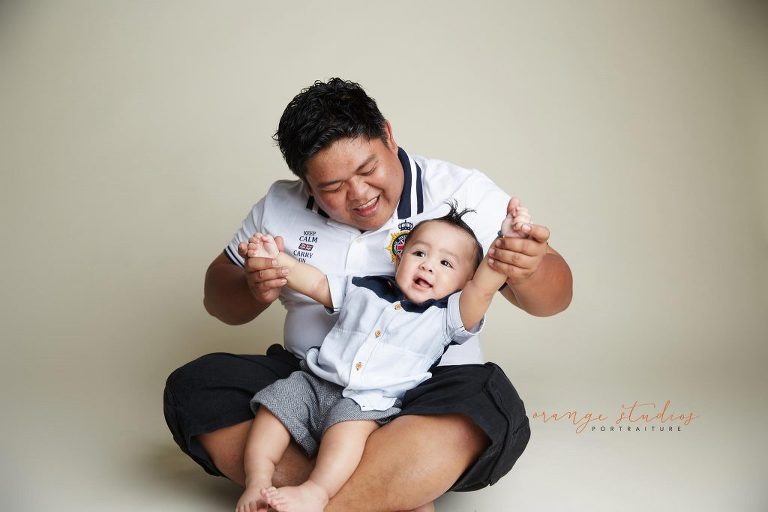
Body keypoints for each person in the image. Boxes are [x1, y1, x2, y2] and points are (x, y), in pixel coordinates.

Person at [163, 78, 573, 511]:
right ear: (305, 182)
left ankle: (321, 498)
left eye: (367, 169)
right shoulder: (279, 206)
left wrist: (526, 266)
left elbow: (554, 298)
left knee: (485, 405)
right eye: (332, 187)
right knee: (196, 387)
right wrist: (253, 285)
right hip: (315, 376)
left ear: (388, 135)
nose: (359, 195)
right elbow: (220, 297)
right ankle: (391, 491)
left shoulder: (462, 192)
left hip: (428, 391)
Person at [235, 201, 531, 512]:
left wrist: (507, 241)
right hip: (315, 381)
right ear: (399, 258)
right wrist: (275, 259)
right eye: (419, 253)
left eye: (446, 263)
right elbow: (316, 282)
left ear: (464, 283)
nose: (428, 265)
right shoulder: (364, 288)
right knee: (273, 410)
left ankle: (316, 492)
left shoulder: (447, 317)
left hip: (368, 403)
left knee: (346, 436)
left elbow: (483, 289)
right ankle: (257, 481)